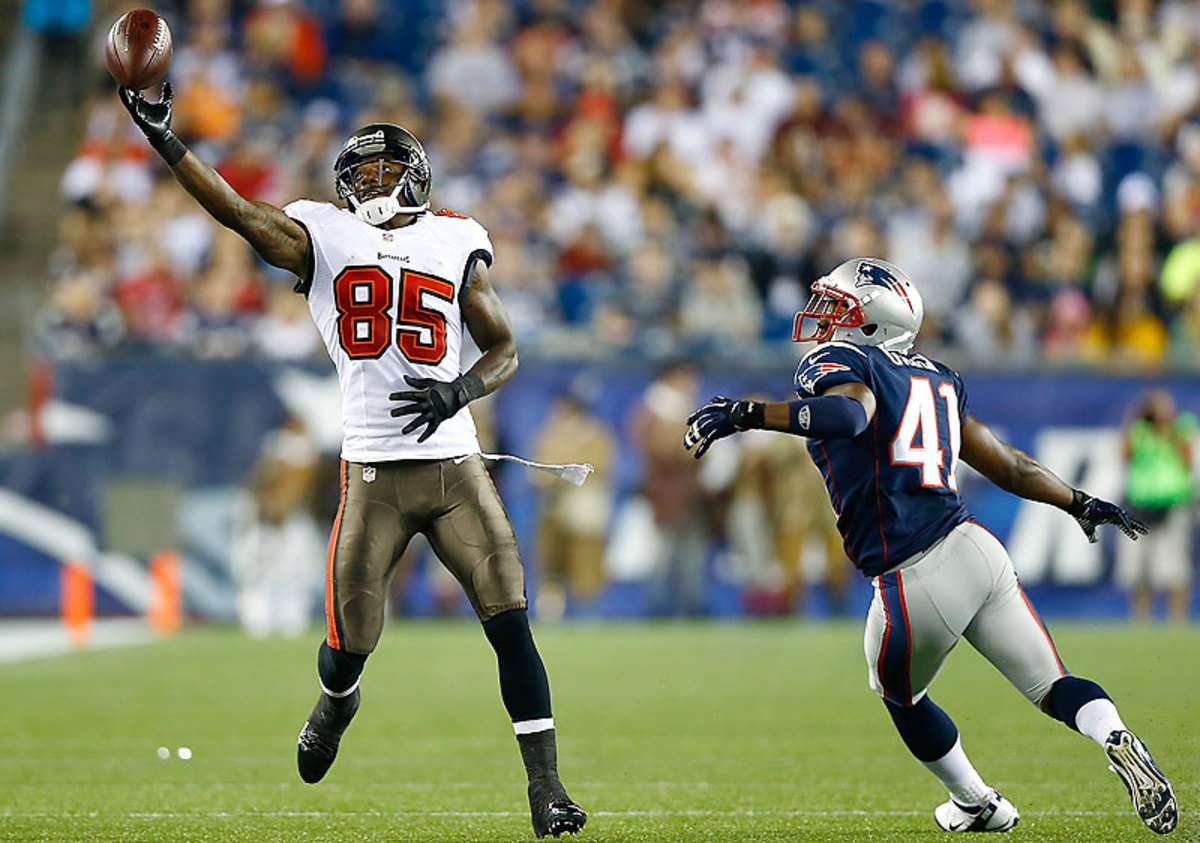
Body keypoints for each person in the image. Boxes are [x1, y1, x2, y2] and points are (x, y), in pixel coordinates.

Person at [118, 84, 586, 839]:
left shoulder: (456, 238)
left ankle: (547, 787)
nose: (367, 183)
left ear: (417, 173)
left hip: (455, 467)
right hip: (372, 476)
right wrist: (169, 141)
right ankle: (337, 702)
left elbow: (505, 348)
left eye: (382, 169)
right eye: (357, 173)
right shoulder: (323, 233)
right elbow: (239, 213)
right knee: (347, 647)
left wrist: (459, 389)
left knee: (510, 616)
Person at [684, 257, 1176, 835]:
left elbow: (846, 415)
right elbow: (1011, 464)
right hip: (976, 549)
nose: (825, 317)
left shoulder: (843, 361)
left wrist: (746, 413)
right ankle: (1113, 733)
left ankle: (975, 801)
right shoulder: (938, 376)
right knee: (1054, 685)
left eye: (839, 307)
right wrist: (1079, 502)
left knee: (900, 696)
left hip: (913, 574)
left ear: (872, 321)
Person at [1119, 389, 1197, 624]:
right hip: (1140, 507)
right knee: (1138, 571)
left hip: (1172, 505)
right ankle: (1141, 621)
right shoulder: (1139, 432)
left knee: (1175, 569)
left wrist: (1168, 430)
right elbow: (1124, 455)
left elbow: (1188, 458)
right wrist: (1134, 420)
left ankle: (1177, 620)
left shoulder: (1180, 429)